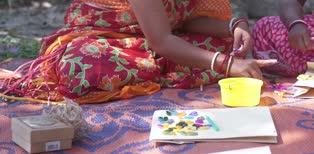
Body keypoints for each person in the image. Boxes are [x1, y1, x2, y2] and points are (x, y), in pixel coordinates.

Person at [1, 0, 276, 103]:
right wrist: (226, 65)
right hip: (106, 36)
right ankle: (173, 64)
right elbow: (161, 40)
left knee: (228, 48)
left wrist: (232, 26)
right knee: (85, 65)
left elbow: (184, 16)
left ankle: (167, 65)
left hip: (157, 36)